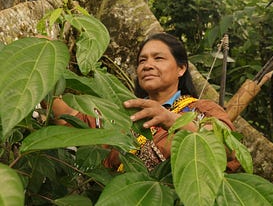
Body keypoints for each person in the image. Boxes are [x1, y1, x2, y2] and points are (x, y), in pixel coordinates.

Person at [51, 32, 239, 172]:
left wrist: (169, 119)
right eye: (142, 60)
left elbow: (229, 150)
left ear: (181, 69)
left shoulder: (201, 109)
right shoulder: (122, 110)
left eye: (158, 58)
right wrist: (47, 66)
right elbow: (68, 119)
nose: (147, 65)